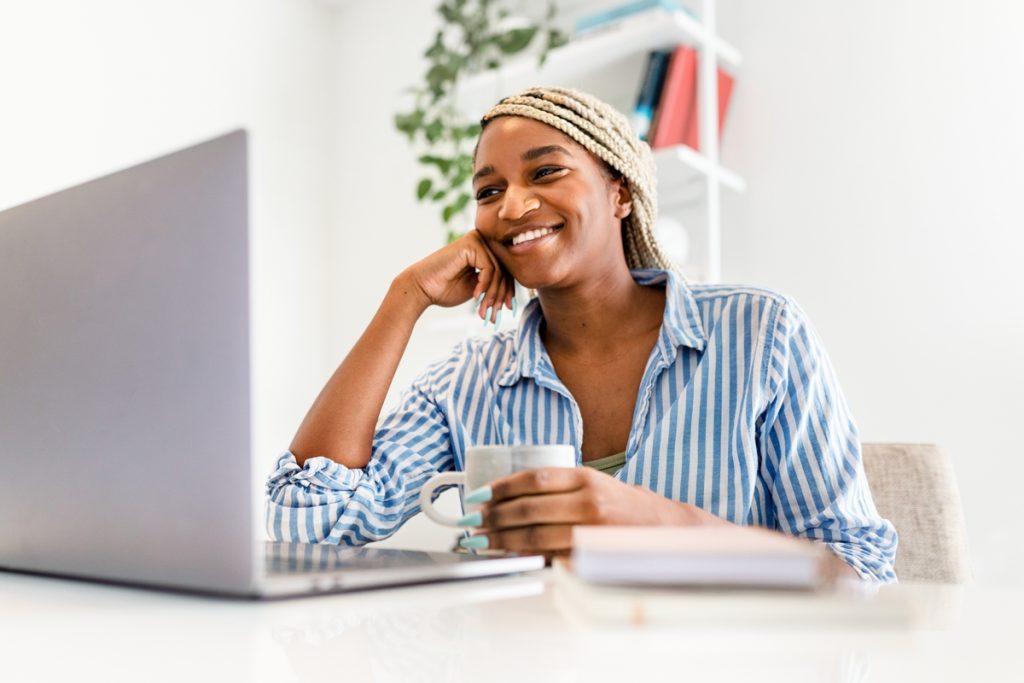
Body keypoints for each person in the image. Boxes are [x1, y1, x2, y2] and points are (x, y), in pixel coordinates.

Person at [266, 86, 897, 582]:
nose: (512, 206)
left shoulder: (760, 335)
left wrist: (658, 523)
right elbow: (307, 524)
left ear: (619, 193)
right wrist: (404, 300)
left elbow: (859, 572)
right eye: (489, 191)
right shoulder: (467, 382)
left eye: (545, 173)